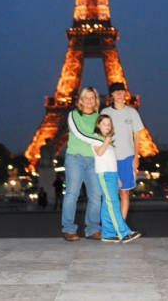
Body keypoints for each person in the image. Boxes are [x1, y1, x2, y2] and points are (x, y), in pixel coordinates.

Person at [91, 114, 142, 243]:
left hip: (113, 174)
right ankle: (124, 232)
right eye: (104, 124)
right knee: (113, 203)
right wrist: (107, 140)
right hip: (104, 174)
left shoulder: (108, 141)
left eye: (109, 124)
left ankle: (107, 233)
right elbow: (100, 152)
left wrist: (118, 177)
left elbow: (111, 160)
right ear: (98, 125)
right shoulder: (96, 138)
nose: (107, 126)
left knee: (107, 204)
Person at [62, 87, 102, 241]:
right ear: (81, 100)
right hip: (75, 158)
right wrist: (100, 139)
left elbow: (109, 138)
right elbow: (80, 134)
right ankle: (68, 229)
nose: (89, 100)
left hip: (93, 160)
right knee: (72, 194)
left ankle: (93, 228)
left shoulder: (99, 118)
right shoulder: (73, 115)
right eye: (86, 97)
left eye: (92, 97)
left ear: (96, 100)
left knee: (96, 196)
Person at [101, 82, 144, 219]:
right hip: (110, 158)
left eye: (122, 91)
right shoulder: (105, 113)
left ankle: (121, 225)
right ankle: (112, 223)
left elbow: (136, 136)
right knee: (112, 193)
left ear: (125, 93)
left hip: (126, 157)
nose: (119, 93)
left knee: (124, 193)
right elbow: (101, 136)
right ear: (112, 95)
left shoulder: (132, 112)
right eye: (116, 91)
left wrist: (136, 157)